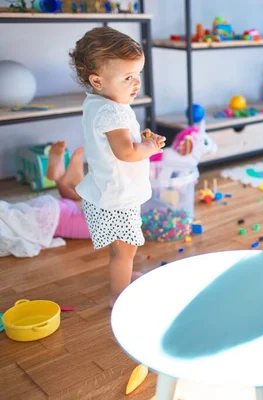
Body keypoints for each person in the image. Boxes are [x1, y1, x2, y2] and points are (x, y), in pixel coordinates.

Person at [69, 26, 166, 307]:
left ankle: (121, 279)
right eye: (127, 78)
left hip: (107, 191)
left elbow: (119, 140)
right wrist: (147, 148)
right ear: (97, 81)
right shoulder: (112, 111)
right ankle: (119, 296)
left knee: (121, 249)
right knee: (125, 250)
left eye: (137, 75)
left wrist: (142, 140)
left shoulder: (97, 103)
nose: (136, 84)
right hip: (117, 196)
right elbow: (125, 152)